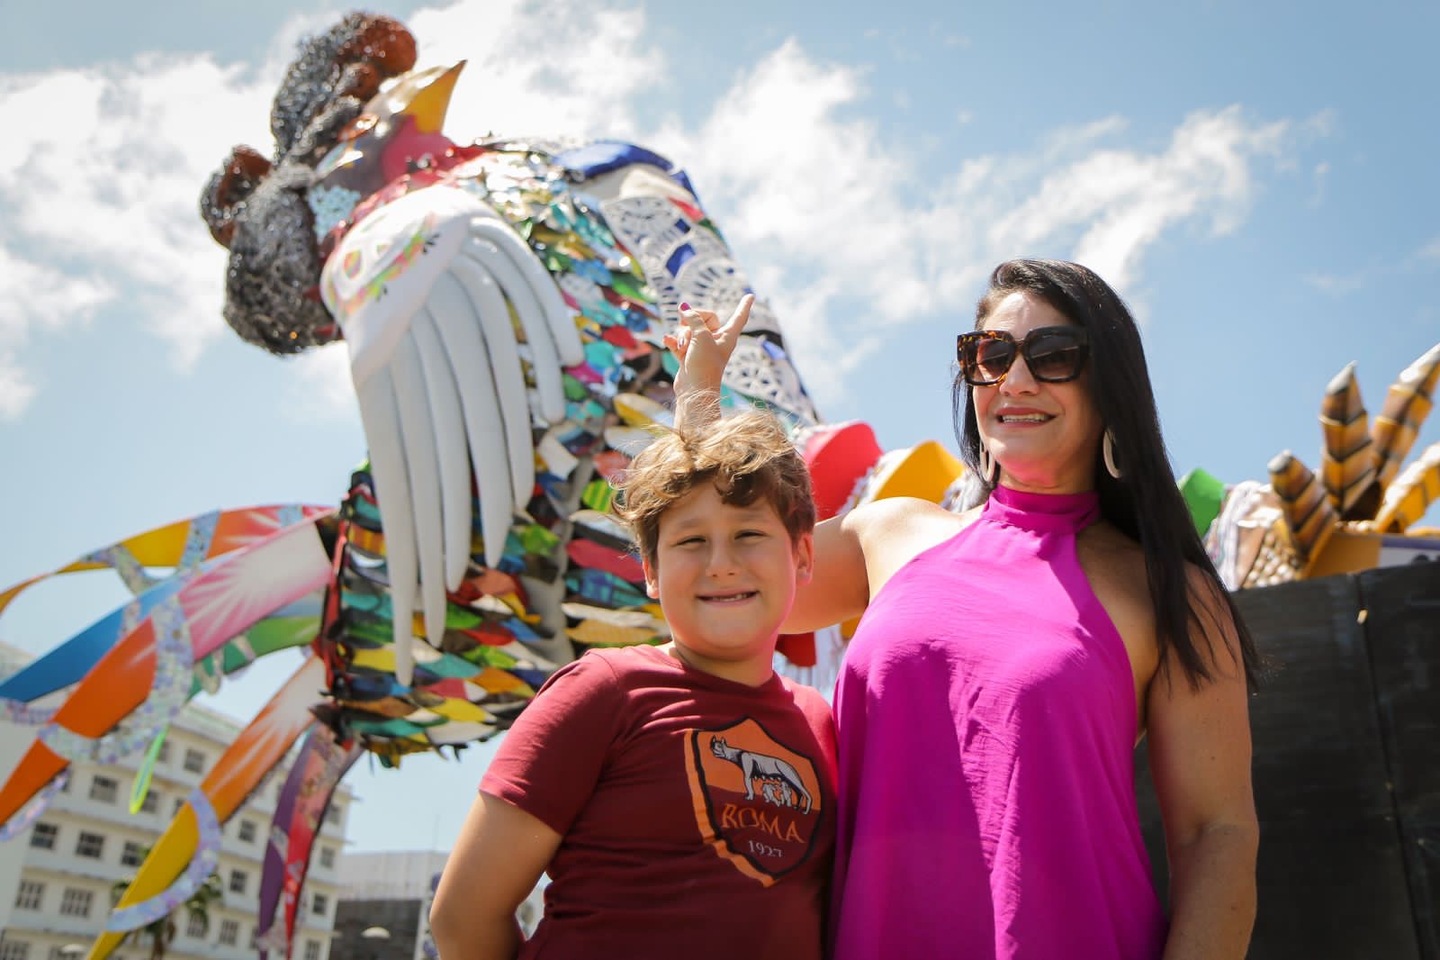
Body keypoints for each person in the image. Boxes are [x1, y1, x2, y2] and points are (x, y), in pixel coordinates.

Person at [671, 263, 1260, 959]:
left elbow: (1215, 835)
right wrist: (697, 404)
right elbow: (720, 583)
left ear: (1111, 387)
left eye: (1054, 356)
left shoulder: (1169, 594)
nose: (1015, 381)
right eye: (991, 355)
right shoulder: (884, 533)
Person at [428, 404, 837, 960]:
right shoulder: (603, 691)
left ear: (802, 554)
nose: (721, 563)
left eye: (749, 533)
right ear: (649, 569)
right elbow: (462, 919)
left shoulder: (823, 724)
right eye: (690, 541)